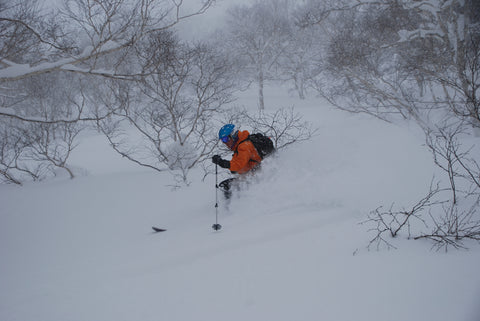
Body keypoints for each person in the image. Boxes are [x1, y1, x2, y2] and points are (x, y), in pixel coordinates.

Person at [212, 124, 262, 199]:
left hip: (258, 175)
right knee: (228, 185)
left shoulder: (244, 146)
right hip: (252, 174)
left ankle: (237, 207)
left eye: (225, 139)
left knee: (228, 186)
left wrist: (221, 162)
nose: (225, 143)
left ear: (233, 135)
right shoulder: (239, 147)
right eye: (222, 140)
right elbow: (235, 168)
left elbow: (237, 165)